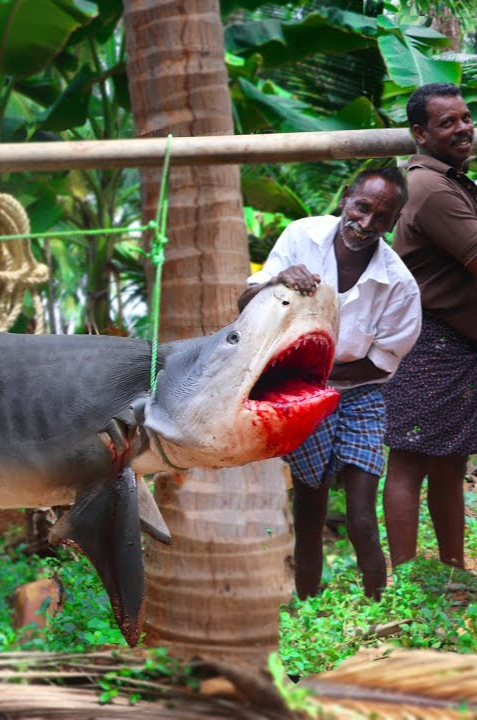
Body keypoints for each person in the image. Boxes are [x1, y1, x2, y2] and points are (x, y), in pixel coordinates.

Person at [238, 167, 421, 600]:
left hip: (358, 396)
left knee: (360, 516)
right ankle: (309, 604)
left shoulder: (399, 285)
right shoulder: (302, 237)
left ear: (393, 224)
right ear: (345, 198)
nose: (367, 223)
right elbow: (245, 304)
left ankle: (377, 604)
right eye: (362, 207)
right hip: (300, 393)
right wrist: (277, 281)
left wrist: (325, 377)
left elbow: (381, 365)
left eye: (382, 217)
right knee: (308, 509)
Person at [382, 82, 477, 570]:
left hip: (449, 341)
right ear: (420, 132)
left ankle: (451, 569)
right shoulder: (432, 188)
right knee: (410, 459)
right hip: (432, 342)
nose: (462, 128)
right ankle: (405, 577)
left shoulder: (446, 179)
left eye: (465, 118)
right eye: (448, 122)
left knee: (449, 460)